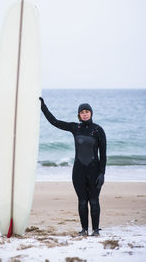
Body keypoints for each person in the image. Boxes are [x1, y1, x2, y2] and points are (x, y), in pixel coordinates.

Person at [39, 97, 107, 236]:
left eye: (87, 111)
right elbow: (55, 122)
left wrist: (102, 173)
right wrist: (43, 107)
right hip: (78, 171)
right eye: (82, 112)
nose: (85, 114)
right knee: (82, 201)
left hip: (94, 171)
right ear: (79, 115)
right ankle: (83, 230)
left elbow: (103, 154)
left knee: (94, 201)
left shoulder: (98, 130)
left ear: (91, 113)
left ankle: (95, 230)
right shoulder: (75, 128)